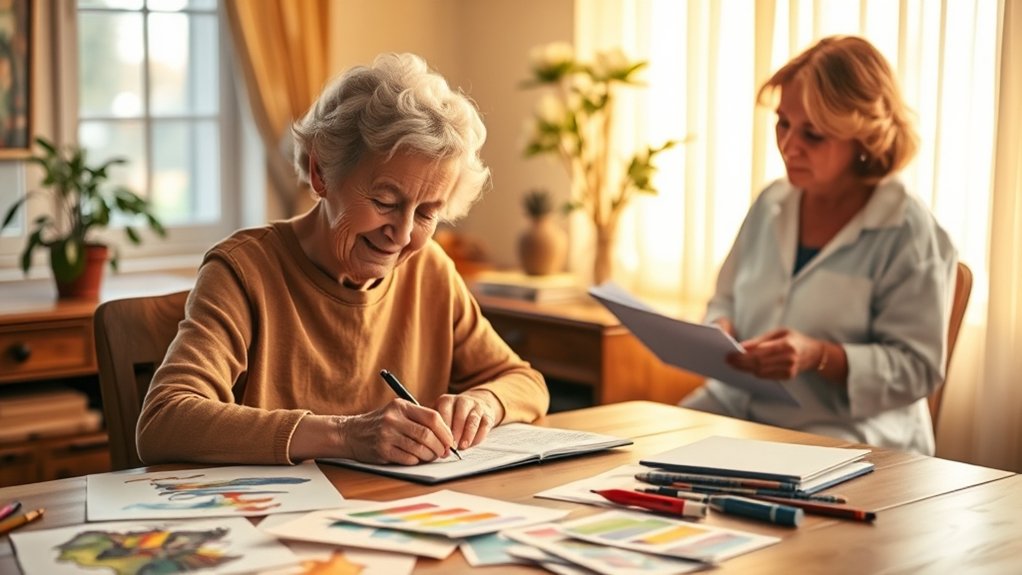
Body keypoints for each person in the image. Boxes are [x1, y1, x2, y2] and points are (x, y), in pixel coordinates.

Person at [137, 53, 549, 466]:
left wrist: (484, 403)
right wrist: (345, 435)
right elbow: (164, 419)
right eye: (385, 201)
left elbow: (526, 383)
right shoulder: (244, 272)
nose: (403, 234)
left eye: (427, 213)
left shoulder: (430, 271)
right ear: (320, 172)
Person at [681, 36, 956, 455]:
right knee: (643, 455)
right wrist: (722, 330)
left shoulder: (909, 233)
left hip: (849, 434)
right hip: (740, 410)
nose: (789, 147)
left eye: (813, 134)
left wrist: (820, 355)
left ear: (863, 138)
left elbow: (917, 370)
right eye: (783, 123)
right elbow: (724, 300)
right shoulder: (771, 203)